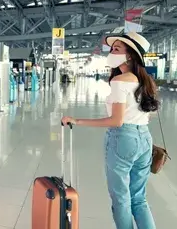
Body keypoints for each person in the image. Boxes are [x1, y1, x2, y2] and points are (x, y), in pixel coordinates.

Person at [61, 32, 159, 229]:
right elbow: (148, 114)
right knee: (139, 198)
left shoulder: (120, 81)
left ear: (130, 55)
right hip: (144, 139)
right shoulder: (145, 81)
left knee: (121, 199)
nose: (111, 52)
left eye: (116, 49)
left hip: (123, 140)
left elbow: (116, 121)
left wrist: (76, 120)